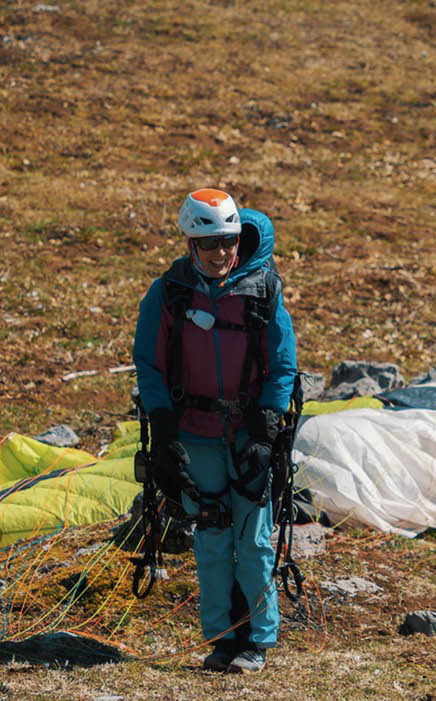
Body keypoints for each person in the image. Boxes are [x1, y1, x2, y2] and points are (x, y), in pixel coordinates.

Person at [133, 188, 298, 673]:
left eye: (229, 241)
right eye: (210, 245)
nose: (222, 254)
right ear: (190, 246)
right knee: (211, 538)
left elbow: (283, 364)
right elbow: (149, 364)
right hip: (195, 435)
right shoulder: (168, 294)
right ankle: (222, 639)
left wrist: (267, 431)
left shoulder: (263, 289)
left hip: (249, 434)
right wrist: (164, 432)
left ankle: (257, 640)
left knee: (255, 538)